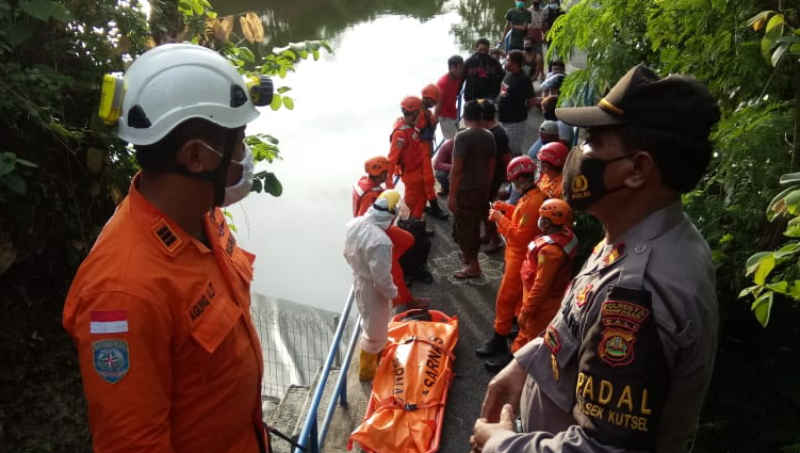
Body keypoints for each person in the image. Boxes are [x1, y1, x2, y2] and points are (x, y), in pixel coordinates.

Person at [470, 64, 721, 453]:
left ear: (637, 170)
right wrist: (525, 362)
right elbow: (577, 324)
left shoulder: (639, 290)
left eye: (593, 142)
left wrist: (502, 445)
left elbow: (602, 449)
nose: (578, 154)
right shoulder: (631, 236)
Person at [62, 44, 273, 453]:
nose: (245, 158)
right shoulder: (122, 293)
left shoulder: (201, 215)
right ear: (196, 156)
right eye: (239, 142)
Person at [484, 198, 576, 372]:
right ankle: (513, 360)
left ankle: (513, 369)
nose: (538, 220)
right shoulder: (565, 236)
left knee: (528, 338)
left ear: (548, 223)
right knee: (524, 335)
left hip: (542, 304)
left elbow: (541, 286)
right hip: (546, 298)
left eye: (542, 217)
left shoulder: (550, 252)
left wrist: (527, 311)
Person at [476, 156, 545, 359]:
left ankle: (499, 339)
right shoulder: (532, 197)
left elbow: (518, 235)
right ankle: (509, 332)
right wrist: (507, 209)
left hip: (520, 256)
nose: (513, 185)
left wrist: (499, 218)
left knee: (505, 299)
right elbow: (525, 222)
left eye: (514, 181)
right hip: (519, 255)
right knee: (515, 301)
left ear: (519, 180)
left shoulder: (532, 201)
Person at [344, 190, 402, 382]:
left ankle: (374, 357)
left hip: (359, 279)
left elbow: (346, 252)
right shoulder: (381, 242)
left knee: (369, 320)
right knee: (375, 330)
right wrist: (393, 293)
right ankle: (367, 372)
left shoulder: (355, 224)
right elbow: (381, 279)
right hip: (372, 288)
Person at [449, 100, 496, 278]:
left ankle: (473, 265)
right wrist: (487, 187)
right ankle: (470, 258)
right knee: (474, 225)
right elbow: (491, 165)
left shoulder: (462, 137)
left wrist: (452, 196)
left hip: (465, 191)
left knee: (466, 229)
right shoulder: (489, 135)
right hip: (482, 189)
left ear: (465, 116)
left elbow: (457, 169)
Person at [388, 96, 433, 220]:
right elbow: (392, 158)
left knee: (423, 197)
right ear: (413, 114)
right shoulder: (400, 134)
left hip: (418, 169)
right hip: (411, 174)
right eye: (418, 113)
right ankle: (410, 227)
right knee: (411, 203)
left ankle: (416, 225)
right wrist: (389, 182)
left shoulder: (411, 126)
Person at [481, 99, 513, 254]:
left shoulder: (496, 135)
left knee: (489, 209)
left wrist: (505, 182)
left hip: (494, 179)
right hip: (491, 178)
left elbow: (506, 158)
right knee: (485, 209)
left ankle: (496, 240)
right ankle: (488, 235)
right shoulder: (495, 131)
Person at [419, 83, 449, 220]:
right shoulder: (419, 114)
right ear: (427, 98)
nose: (434, 104)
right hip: (420, 154)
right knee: (428, 181)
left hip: (424, 152)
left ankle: (425, 205)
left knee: (425, 182)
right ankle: (434, 208)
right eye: (433, 101)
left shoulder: (425, 113)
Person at [498, 50, 536, 156]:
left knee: (513, 150)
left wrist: (521, 111)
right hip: (503, 120)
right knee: (504, 149)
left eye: (508, 60)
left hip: (515, 123)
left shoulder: (523, 79)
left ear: (515, 63)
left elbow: (531, 100)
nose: (506, 61)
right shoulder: (508, 75)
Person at [464, 38, 505, 103]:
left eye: (485, 50)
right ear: (476, 48)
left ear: (488, 49)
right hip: (471, 98)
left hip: (488, 98)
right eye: (481, 50)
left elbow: (503, 78)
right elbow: (460, 79)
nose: (483, 52)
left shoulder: (495, 63)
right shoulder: (468, 62)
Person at [437, 55, 465, 140]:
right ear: (453, 68)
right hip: (445, 118)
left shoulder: (456, 78)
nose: (462, 71)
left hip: (453, 114)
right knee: (454, 142)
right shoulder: (443, 83)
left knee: (461, 137)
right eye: (460, 68)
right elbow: (438, 106)